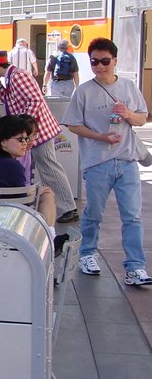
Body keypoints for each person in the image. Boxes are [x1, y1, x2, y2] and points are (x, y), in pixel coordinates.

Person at [62, 37, 151, 285]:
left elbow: (142, 119)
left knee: (132, 216)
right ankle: (88, 254)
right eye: (94, 62)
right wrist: (100, 136)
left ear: (115, 61)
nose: (99, 67)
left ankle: (135, 267)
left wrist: (128, 114)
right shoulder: (83, 92)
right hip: (97, 162)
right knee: (94, 213)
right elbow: (73, 125)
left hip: (127, 160)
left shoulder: (129, 87)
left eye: (105, 61)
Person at [0, 50, 79, 223]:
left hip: (37, 131)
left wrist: (24, 129)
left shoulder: (18, 76)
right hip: (33, 131)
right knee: (46, 167)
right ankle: (63, 206)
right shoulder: (13, 76)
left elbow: (35, 100)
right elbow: (10, 99)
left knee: (49, 167)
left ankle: (68, 207)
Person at [0, 115, 62, 248]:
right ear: (3, 142)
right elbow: (23, 205)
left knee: (42, 192)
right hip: (0, 224)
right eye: (20, 139)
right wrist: (36, 191)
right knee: (47, 195)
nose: (25, 143)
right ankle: (50, 239)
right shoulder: (11, 165)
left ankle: (50, 238)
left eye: (27, 138)